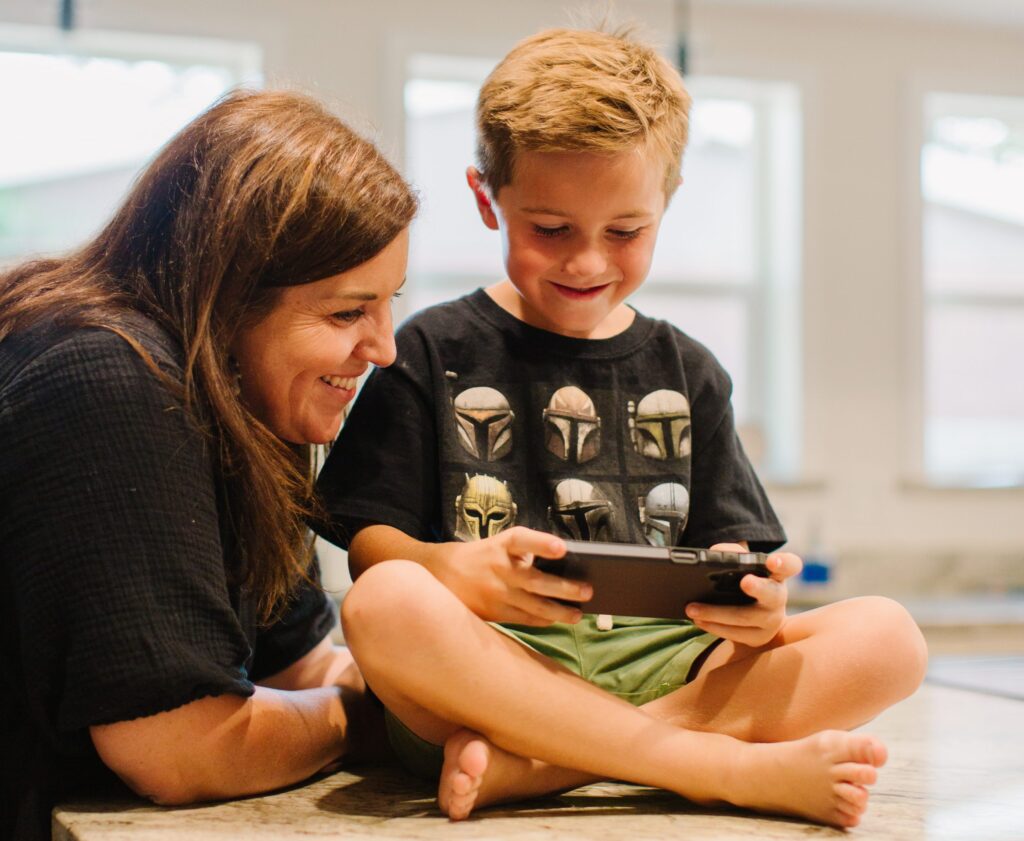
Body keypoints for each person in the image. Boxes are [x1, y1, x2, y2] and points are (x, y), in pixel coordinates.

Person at [316, 27, 928, 830]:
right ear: (485, 196)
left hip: (668, 665)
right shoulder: (430, 349)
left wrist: (762, 609)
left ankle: (545, 771)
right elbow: (371, 548)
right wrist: (451, 567)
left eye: (625, 232)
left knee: (889, 636)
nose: (586, 261)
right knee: (385, 601)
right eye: (551, 229)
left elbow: (742, 564)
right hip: (498, 671)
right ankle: (717, 765)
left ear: (666, 201)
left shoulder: (692, 369)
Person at [0, 89, 417, 841]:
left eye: (389, 303)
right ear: (229, 296)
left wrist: (439, 678)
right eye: (347, 312)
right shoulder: (113, 378)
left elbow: (298, 662)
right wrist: (375, 721)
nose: (384, 348)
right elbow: (180, 749)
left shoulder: (239, 411)